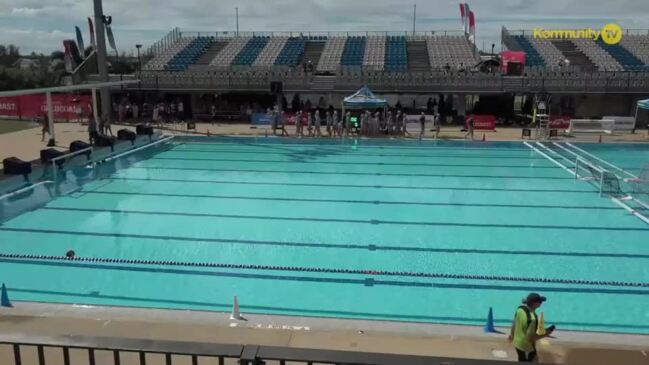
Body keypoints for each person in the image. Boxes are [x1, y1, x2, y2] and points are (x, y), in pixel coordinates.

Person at [509, 293, 554, 362]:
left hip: (517, 342)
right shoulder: (532, 319)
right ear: (535, 304)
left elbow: (514, 323)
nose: (541, 303)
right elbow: (530, 338)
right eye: (540, 302)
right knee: (532, 360)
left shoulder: (520, 309)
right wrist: (546, 333)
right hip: (526, 347)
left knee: (525, 359)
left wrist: (511, 335)